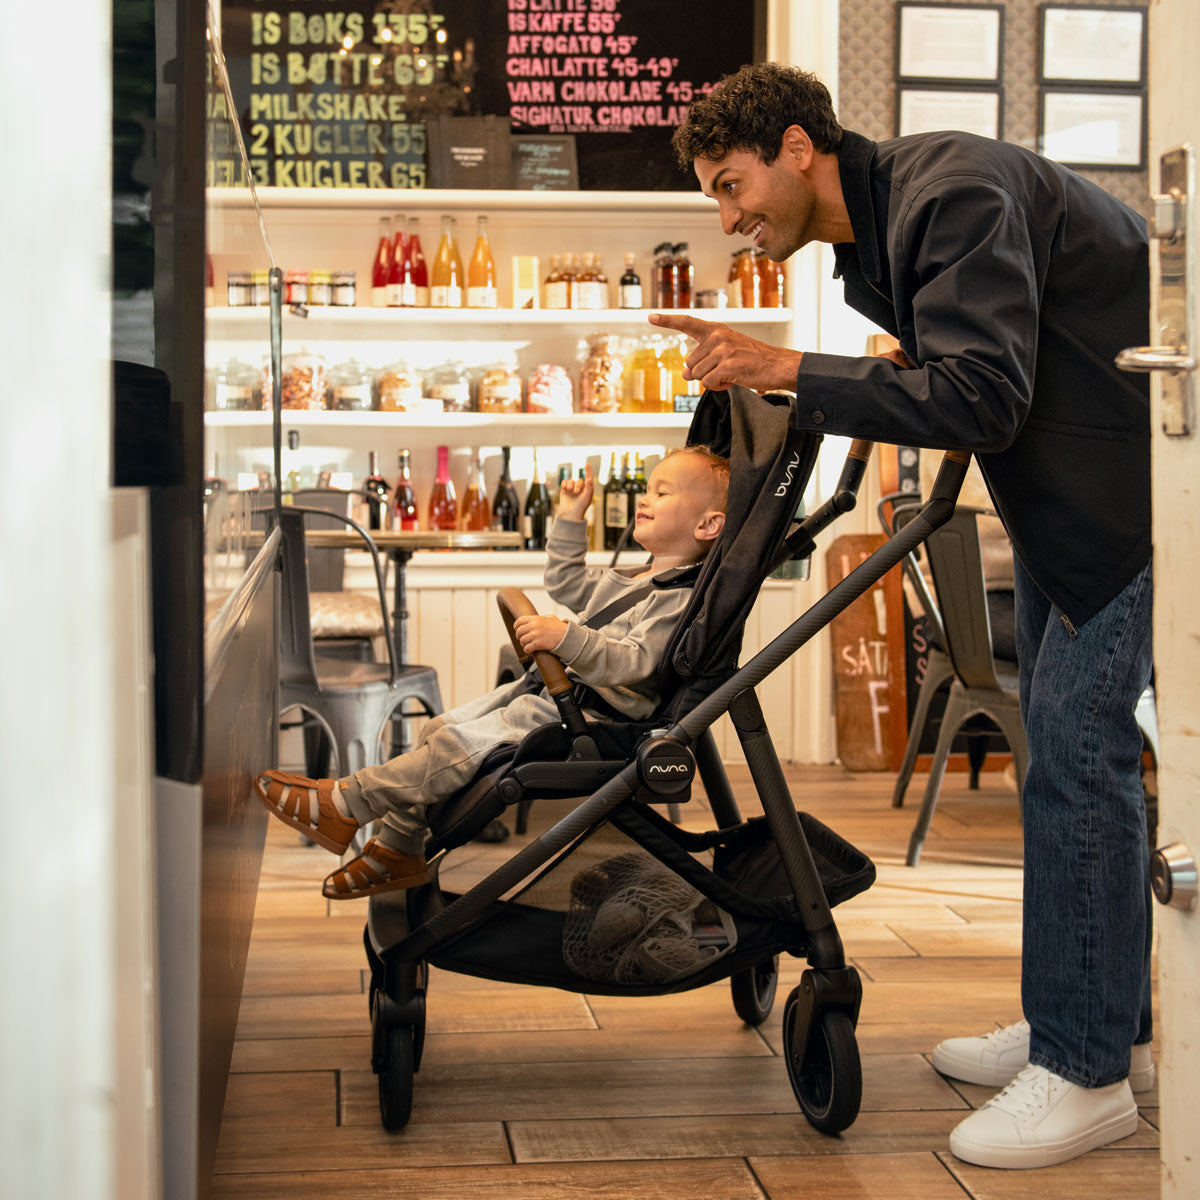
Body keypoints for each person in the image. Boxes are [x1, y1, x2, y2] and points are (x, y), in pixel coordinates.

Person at [652, 63, 1154, 1171]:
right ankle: (1092, 1013)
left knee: (1078, 766)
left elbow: (983, 393)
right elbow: (968, 356)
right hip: (1076, 495)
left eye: (732, 186)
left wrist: (793, 367)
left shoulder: (949, 191)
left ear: (796, 146)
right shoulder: (876, 230)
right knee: (1070, 768)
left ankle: (1086, 1074)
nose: (730, 218)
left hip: (1126, 505)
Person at [253, 446, 729, 900]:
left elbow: (634, 662)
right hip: (553, 696)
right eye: (648, 488)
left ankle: (347, 803)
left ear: (708, 525)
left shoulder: (680, 601)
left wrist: (565, 638)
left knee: (453, 748)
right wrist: (570, 517)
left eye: (663, 493)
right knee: (441, 729)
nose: (645, 498)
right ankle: (398, 849)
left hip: (594, 719)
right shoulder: (638, 578)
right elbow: (565, 582)